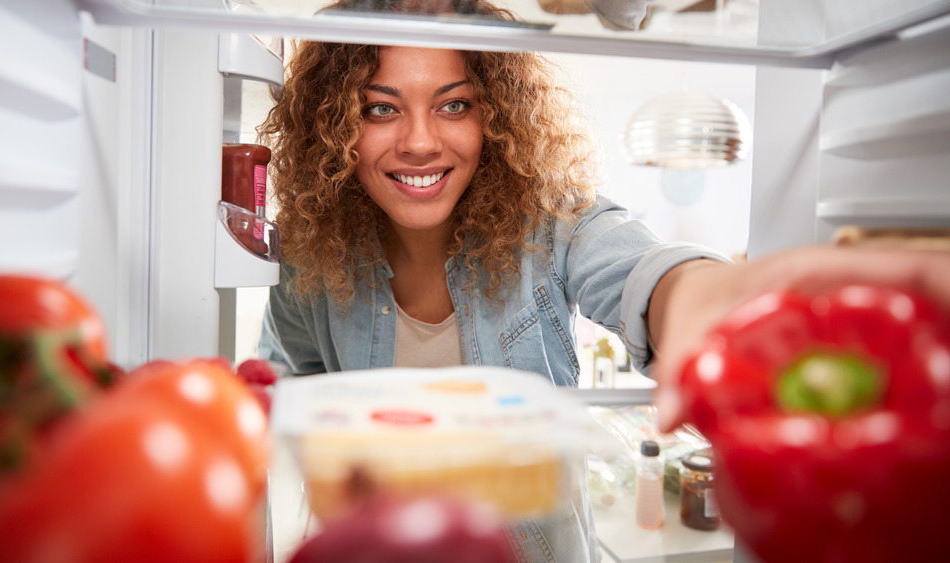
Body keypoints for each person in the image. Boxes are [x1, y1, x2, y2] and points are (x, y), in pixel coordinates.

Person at [255, 0, 950, 560]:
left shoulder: (550, 223)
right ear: (335, 126)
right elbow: (293, 390)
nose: (418, 140)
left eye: (454, 103)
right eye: (381, 107)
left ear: (494, 116)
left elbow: (646, 273)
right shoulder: (313, 258)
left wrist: (715, 301)